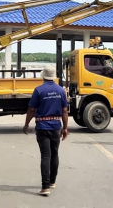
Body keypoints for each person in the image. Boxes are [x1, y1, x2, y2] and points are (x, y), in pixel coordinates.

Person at [23, 66, 69, 197]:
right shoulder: (61, 90)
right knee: (54, 154)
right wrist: (65, 128)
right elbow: (65, 111)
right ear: (53, 76)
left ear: (43, 76)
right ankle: (52, 182)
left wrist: (26, 124)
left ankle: (45, 187)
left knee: (45, 156)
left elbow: (31, 110)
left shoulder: (38, 90)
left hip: (42, 126)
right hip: (56, 126)